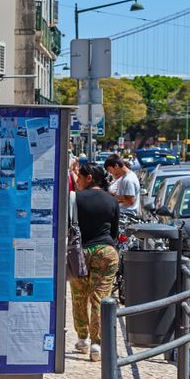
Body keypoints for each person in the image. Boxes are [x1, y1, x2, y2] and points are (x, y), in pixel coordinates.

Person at [70, 163, 120, 362]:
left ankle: (82, 338)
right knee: (100, 297)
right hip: (105, 251)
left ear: (89, 178)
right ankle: (97, 343)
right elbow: (115, 232)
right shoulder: (111, 200)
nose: (78, 182)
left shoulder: (75, 198)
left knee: (79, 295)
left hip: (79, 251)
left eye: (79, 178)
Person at [105, 155, 141, 220]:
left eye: (110, 170)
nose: (110, 173)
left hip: (127, 215)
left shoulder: (128, 179)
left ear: (116, 166)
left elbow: (130, 201)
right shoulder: (125, 177)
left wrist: (112, 196)